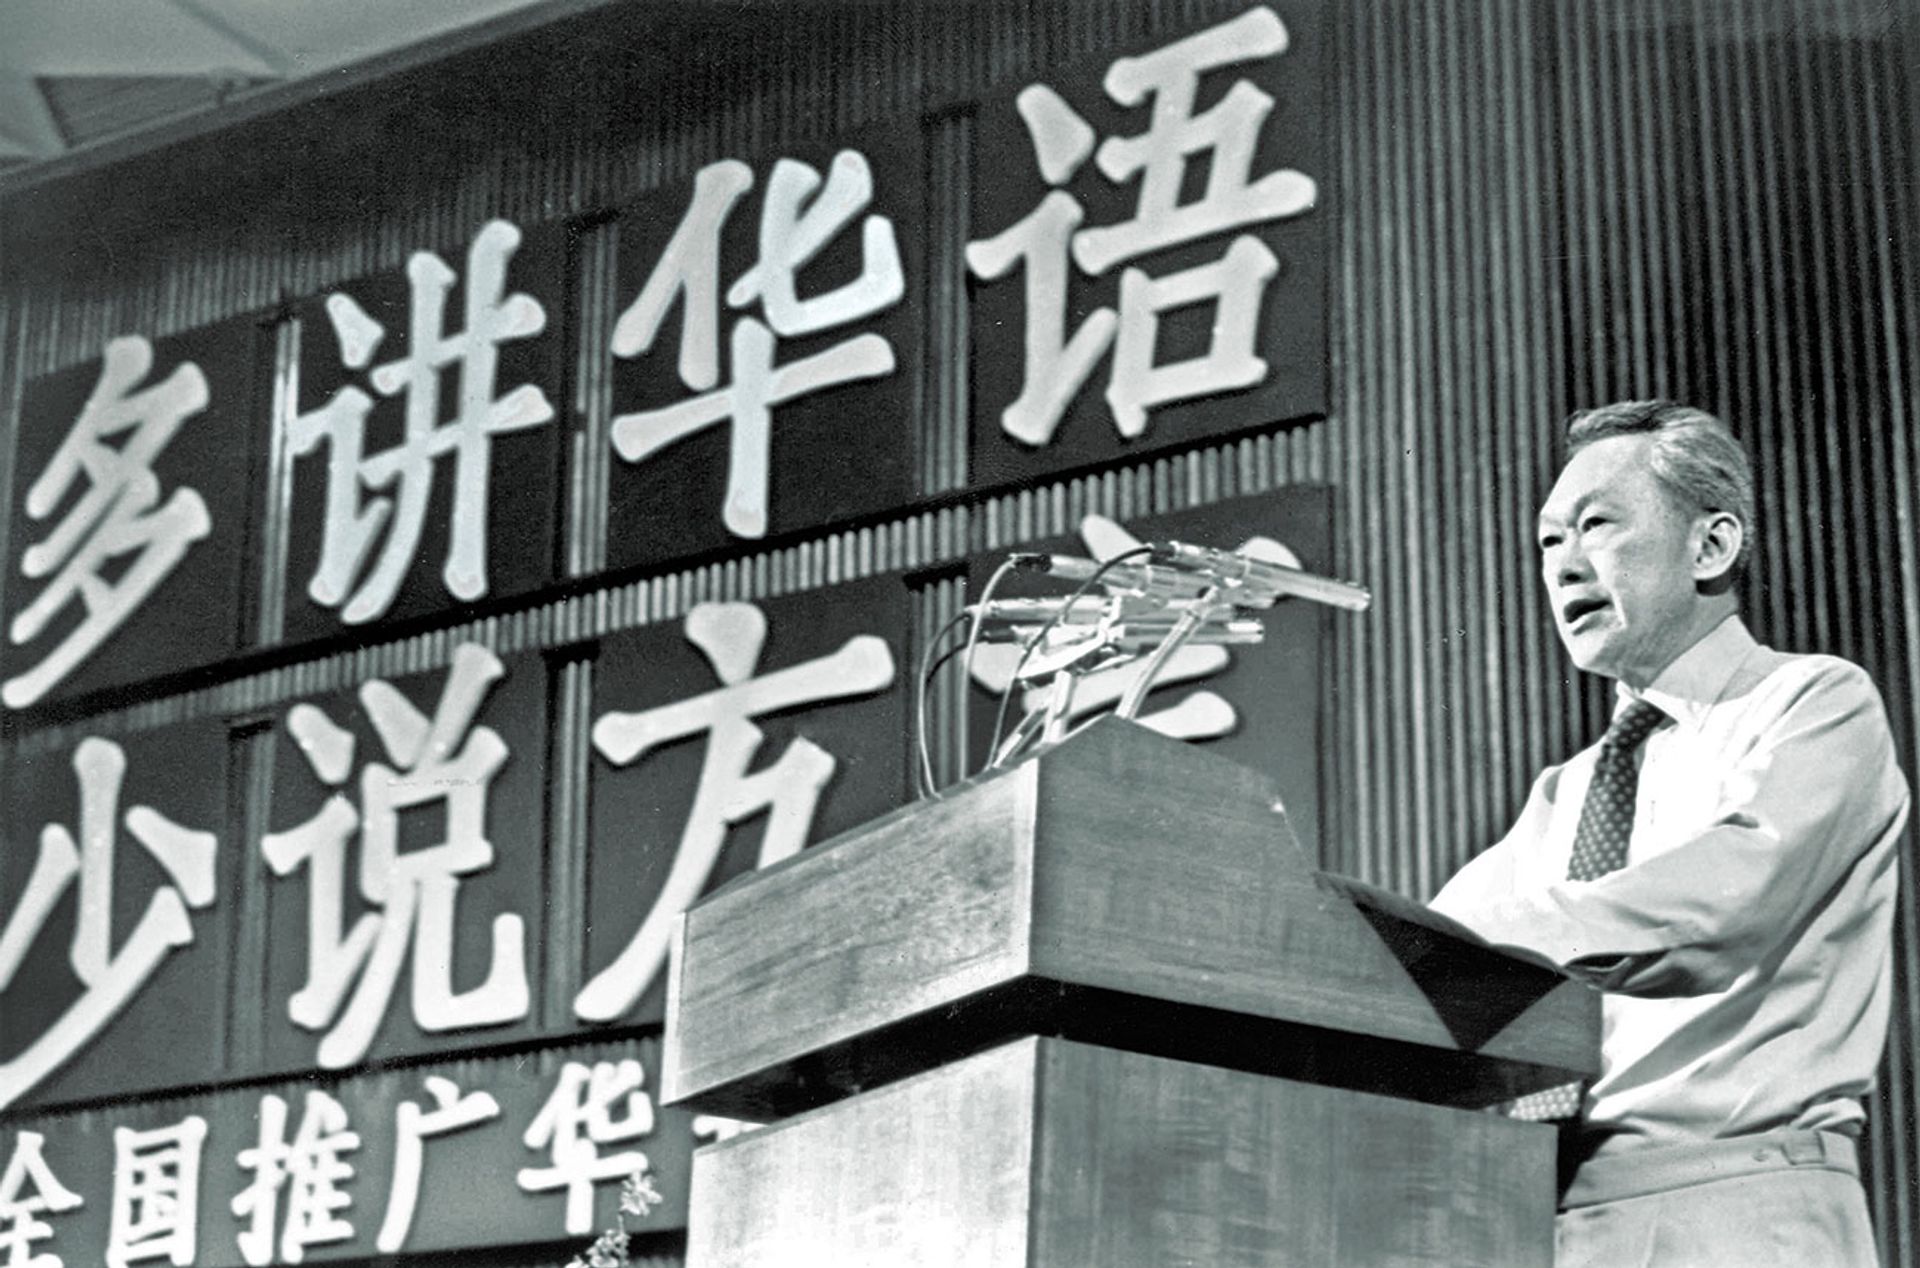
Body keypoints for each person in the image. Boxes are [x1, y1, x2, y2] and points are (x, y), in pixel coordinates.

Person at [1429, 400, 1909, 1266]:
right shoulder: (1565, 793)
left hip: (1739, 1204)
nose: (1562, 564)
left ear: (1711, 546)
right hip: (1553, 1219)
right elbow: (1430, 943)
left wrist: (1467, 940)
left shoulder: (1813, 703)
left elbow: (1721, 903)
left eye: (1595, 526)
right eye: (1547, 540)